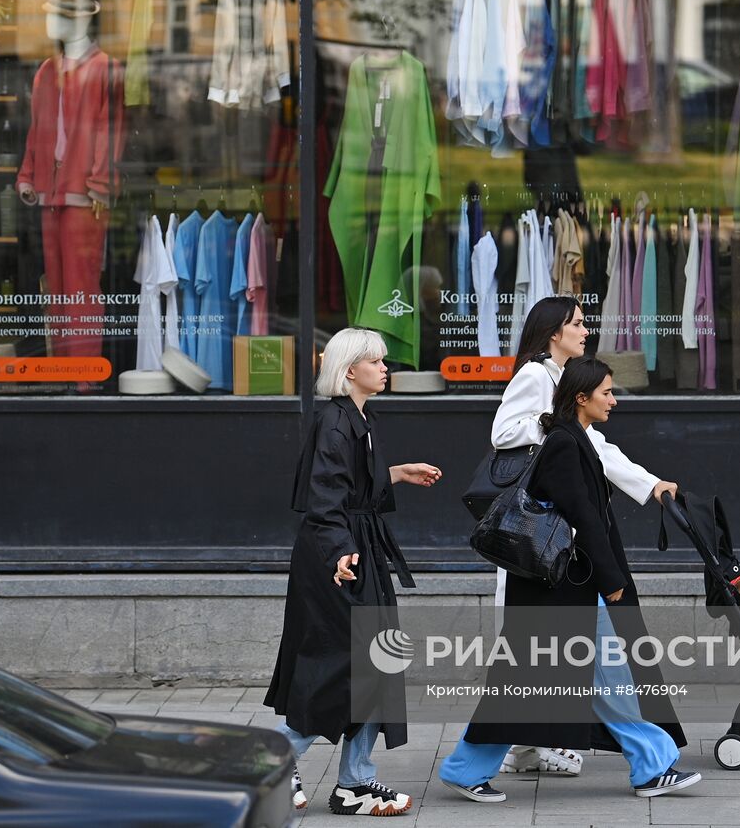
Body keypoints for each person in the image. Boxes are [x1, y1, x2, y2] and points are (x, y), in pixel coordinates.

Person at [440, 356, 697, 803]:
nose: (614, 401)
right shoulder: (563, 443)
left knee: (584, 677)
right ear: (582, 398)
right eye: (607, 393)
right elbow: (584, 517)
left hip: (563, 585)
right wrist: (612, 579)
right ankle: (650, 765)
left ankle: (651, 764)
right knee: (545, 680)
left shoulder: (574, 438)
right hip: (558, 588)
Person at [488, 296, 680, 777]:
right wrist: (554, 422)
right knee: (558, 646)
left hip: (562, 536)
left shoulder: (562, 378)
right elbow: (502, 432)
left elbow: (600, 449)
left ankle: (514, 749)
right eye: (576, 323)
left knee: (545, 647)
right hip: (543, 533)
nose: (585, 329)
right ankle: (645, 756)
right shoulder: (536, 375)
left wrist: (648, 484)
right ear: (553, 331)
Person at [264, 327, 443, 817]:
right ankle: (272, 764)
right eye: (376, 361)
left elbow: (351, 485)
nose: (385, 368)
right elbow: (325, 498)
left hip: (352, 550)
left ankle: (356, 783)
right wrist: (341, 552)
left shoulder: (356, 417)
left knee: (375, 663)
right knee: (342, 664)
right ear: (349, 371)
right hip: (338, 557)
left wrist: (397, 472)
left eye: (384, 360)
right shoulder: (336, 422)